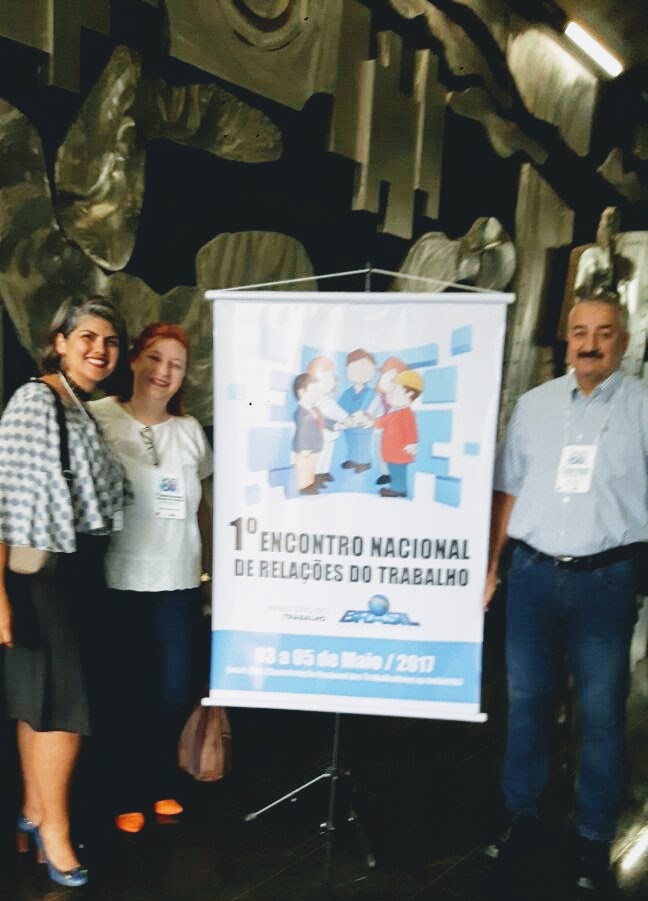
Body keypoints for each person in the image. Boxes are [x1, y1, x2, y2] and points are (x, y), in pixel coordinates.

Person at [483, 295, 645, 893]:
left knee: (601, 711)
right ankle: (523, 817)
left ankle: (594, 836)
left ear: (622, 341)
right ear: (566, 340)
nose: (590, 344)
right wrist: (492, 567)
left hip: (607, 579)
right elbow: (507, 491)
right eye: (580, 332)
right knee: (526, 701)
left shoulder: (643, 406)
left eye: (603, 333)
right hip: (531, 576)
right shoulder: (534, 406)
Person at [0, 295, 131, 888]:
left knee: (42, 704)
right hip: (45, 578)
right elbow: (3, 501)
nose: (100, 350)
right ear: (59, 342)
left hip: (72, 574)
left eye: (110, 341)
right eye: (87, 337)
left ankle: (33, 812)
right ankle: (55, 832)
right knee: (66, 712)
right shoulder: (37, 400)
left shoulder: (79, 404)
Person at [88, 323, 212, 834]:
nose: (164, 372)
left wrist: (210, 571)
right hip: (118, 577)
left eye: (175, 365)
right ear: (135, 359)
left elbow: (204, 504)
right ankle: (125, 790)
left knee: (175, 688)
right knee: (126, 690)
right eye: (155, 358)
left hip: (179, 579)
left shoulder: (190, 431)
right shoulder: (99, 417)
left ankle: (158, 778)